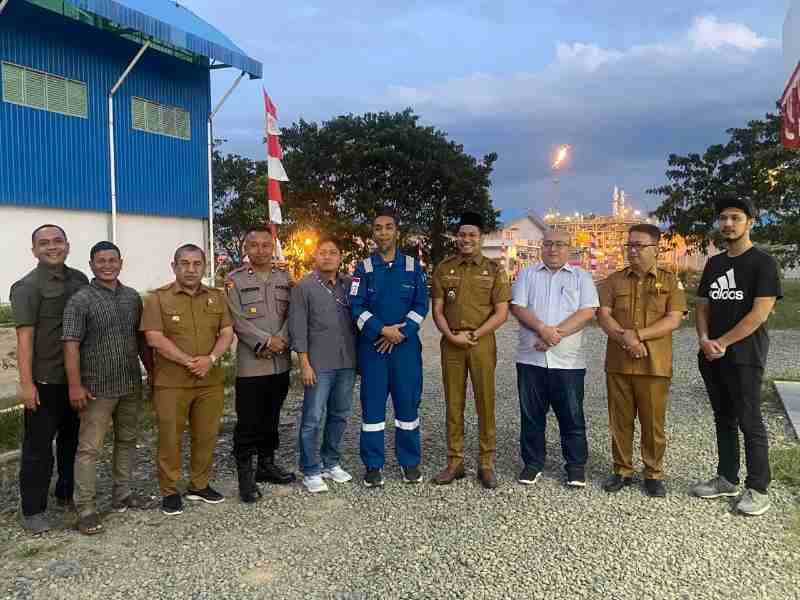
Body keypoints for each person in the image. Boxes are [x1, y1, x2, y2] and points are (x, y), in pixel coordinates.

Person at [691, 197, 781, 516]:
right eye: (723, 218)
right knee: (723, 418)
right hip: (712, 355)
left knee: (749, 419)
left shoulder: (763, 263)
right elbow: (702, 306)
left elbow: (759, 314)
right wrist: (704, 339)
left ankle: (758, 488)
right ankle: (727, 478)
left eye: (735, 218)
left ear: (750, 222)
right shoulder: (714, 264)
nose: (728, 224)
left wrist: (723, 341)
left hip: (744, 355)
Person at [62, 241, 155, 535]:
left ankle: (122, 494)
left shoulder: (131, 297)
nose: (107, 266)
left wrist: (152, 371)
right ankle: (85, 509)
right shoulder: (80, 300)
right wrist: (75, 386)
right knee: (89, 449)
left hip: (129, 383)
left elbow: (141, 339)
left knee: (127, 440)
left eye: (112, 260)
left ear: (120, 263)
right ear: (91, 265)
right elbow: (71, 345)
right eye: (100, 261)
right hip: (96, 388)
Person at [140, 244, 234, 515]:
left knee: (206, 435)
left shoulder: (217, 297)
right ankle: (169, 490)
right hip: (171, 382)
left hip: (209, 380)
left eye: (197, 264)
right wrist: (189, 361)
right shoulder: (158, 299)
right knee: (170, 437)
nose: (191, 269)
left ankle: (199, 484)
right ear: (174, 266)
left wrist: (211, 359)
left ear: (204, 267)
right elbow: (154, 337)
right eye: (185, 263)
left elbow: (227, 332)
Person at [10, 224, 89, 533]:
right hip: (45, 381)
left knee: (72, 441)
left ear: (67, 246)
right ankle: (33, 510)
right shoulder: (27, 287)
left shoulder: (80, 280)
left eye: (58, 241)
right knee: (38, 449)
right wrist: (27, 384)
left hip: (77, 378)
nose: (52, 247)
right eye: (44, 243)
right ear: (34, 250)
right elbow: (24, 340)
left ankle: (65, 493)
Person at [597, 224, 686, 497]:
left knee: (653, 423)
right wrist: (627, 340)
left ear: (656, 249)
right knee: (619, 422)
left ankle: (653, 473)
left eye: (639, 245)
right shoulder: (613, 281)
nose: (632, 250)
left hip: (654, 365)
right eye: (630, 245)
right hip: (619, 364)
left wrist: (637, 336)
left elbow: (674, 319)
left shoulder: (670, 282)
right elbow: (603, 314)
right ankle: (622, 470)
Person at [510, 230, 598, 488]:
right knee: (531, 416)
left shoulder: (581, 277)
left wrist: (552, 336)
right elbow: (518, 307)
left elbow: (587, 312)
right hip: (531, 359)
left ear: (569, 248)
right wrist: (542, 329)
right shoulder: (527, 275)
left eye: (559, 244)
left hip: (568, 361)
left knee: (572, 416)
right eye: (548, 244)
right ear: (542, 247)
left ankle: (575, 466)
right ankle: (533, 463)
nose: (553, 249)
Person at [430, 212, 510, 489]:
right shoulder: (444, 268)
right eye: (462, 234)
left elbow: (502, 312)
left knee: (485, 402)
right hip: (451, 342)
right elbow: (437, 310)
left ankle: (486, 463)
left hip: (481, 341)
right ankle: (455, 461)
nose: (466, 239)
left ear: (481, 238)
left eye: (472, 235)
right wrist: (451, 335)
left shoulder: (494, 269)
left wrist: (474, 334)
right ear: (457, 237)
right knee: (454, 402)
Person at [350, 209, 428, 487]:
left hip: (405, 349)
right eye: (378, 228)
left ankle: (410, 462)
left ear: (397, 232)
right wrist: (382, 330)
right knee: (372, 409)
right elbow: (356, 307)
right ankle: (373, 465)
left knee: (407, 405)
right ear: (373, 233)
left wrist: (401, 333)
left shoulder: (413, 266)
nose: (383, 232)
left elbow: (421, 305)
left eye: (388, 227)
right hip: (374, 349)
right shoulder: (363, 268)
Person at [225, 227, 295, 504]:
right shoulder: (235, 280)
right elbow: (236, 319)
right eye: (254, 245)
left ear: (273, 247)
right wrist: (266, 341)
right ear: (246, 249)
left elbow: (293, 313)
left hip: (280, 363)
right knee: (248, 421)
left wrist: (282, 339)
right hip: (251, 364)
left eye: (266, 245)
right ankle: (245, 474)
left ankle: (266, 464)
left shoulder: (284, 277)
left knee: (272, 416)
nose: (261, 250)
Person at [289, 236, 357, 493]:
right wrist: (304, 364)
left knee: (339, 414)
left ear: (340, 257)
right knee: (313, 418)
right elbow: (298, 328)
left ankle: (331, 462)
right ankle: (310, 469)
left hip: (346, 361)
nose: (327, 257)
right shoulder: (304, 287)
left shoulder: (349, 285)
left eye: (333, 252)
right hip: (318, 364)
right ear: (315, 257)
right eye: (322, 252)